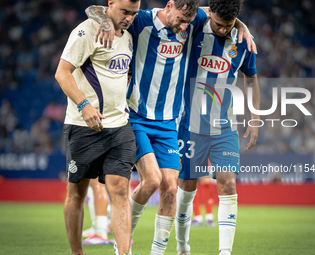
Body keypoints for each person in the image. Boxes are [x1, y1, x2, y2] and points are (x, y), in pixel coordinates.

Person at [85, 1, 256, 254]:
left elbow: (215, 13)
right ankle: (123, 244)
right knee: (152, 180)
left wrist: (241, 26)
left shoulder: (194, 20)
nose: (185, 26)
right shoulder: (142, 21)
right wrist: (103, 20)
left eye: (189, 21)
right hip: (136, 116)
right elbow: (97, 8)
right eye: (181, 20)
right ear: (170, 6)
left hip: (169, 123)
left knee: (170, 188)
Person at [174, 0, 260, 254]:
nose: (223, 30)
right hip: (189, 125)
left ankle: (225, 252)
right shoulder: (195, 25)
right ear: (210, 12)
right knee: (187, 187)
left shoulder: (245, 43)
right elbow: (184, 8)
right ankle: (182, 246)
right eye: (219, 24)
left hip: (224, 127)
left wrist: (255, 118)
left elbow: (252, 80)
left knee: (228, 184)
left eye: (229, 25)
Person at [54, 0, 140, 254]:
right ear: (110, 4)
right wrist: (83, 105)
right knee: (77, 193)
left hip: (119, 127)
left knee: (121, 191)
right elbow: (62, 72)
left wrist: (241, 26)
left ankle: (123, 252)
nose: (129, 18)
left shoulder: (130, 35)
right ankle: (77, 252)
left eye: (133, 14)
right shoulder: (86, 30)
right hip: (84, 127)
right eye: (124, 12)